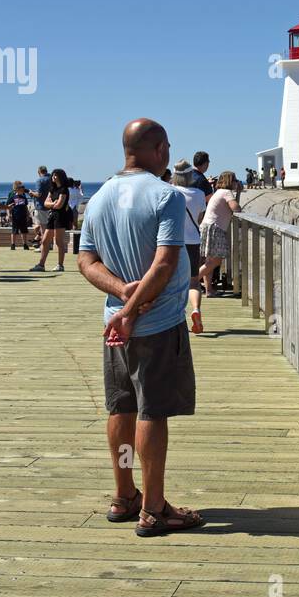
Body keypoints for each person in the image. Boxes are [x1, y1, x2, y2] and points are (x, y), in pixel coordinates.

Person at [77, 118, 204, 537]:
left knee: (120, 407)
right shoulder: (165, 196)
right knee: (153, 410)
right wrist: (134, 309)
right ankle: (153, 508)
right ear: (160, 150)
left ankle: (124, 494)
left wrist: (120, 297)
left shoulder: (98, 199)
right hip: (157, 324)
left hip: (114, 325)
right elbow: (166, 262)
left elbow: (86, 262)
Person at [170, 160, 208, 334]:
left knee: (170, 281)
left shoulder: (169, 192)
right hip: (193, 241)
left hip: (172, 242)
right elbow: (200, 219)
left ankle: (173, 317)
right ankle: (196, 310)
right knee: (193, 282)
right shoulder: (199, 194)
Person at [200, 170, 241, 300]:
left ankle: (209, 290)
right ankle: (191, 280)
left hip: (208, 226)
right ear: (230, 181)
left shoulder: (219, 192)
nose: (236, 182)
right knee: (216, 260)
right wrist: (237, 193)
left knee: (209, 261)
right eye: (235, 180)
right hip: (215, 228)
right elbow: (235, 208)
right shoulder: (226, 192)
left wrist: (238, 193)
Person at [31, 169, 72, 272]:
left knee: (59, 242)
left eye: (56, 175)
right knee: (45, 241)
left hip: (61, 217)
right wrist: (53, 203)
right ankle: (41, 265)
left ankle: (60, 265)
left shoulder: (64, 190)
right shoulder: (52, 189)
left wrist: (52, 204)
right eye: (53, 175)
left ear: (61, 177)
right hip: (52, 216)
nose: (53, 177)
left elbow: (59, 205)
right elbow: (45, 203)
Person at [30, 165, 52, 246]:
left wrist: (31, 193)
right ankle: (47, 244)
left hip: (41, 206)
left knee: (43, 228)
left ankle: (44, 246)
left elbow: (39, 194)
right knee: (48, 227)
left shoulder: (40, 180)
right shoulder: (51, 178)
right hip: (50, 205)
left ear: (39, 172)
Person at [7, 180, 32, 250]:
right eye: (21, 188)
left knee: (24, 231)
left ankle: (25, 244)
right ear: (17, 189)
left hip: (23, 216)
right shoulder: (13, 196)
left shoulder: (24, 196)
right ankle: (13, 244)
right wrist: (9, 214)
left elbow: (25, 206)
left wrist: (28, 214)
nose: (23, 190)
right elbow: (8, 206)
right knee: (14, 231)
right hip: (15, 216)